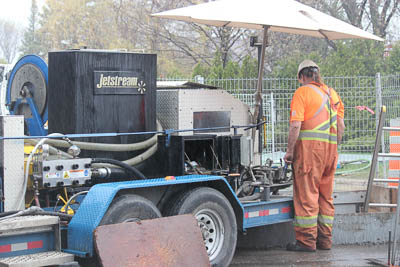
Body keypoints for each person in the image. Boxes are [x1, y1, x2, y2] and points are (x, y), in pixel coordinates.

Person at [284, 60, 345, 252]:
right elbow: (341, 126)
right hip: (331, 150)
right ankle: (325, 241)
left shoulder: (302, 92)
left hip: (310, 152)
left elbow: (296, 125)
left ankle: (306, 242)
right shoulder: (332, 94)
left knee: (307, 195)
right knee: (325, 197)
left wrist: (290, 152)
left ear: (302, 76)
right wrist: (333, 147)